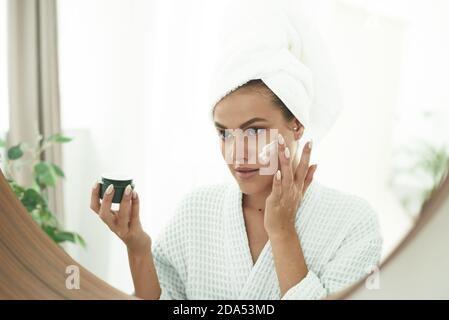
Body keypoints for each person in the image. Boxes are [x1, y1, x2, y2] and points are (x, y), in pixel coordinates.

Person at [89, 2, 382, 300]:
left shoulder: (353, 223)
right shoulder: (197, 211)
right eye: (224, 133)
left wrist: (282, 232)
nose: (236, 154)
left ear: (297, 124)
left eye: (254, 131)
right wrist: (137, 245)